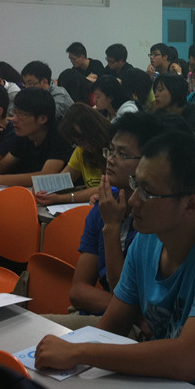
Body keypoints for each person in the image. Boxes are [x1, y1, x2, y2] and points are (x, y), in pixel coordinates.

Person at [35, 131, 195, 389]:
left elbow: (186, 361)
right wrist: (73, 356)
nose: (133, 200)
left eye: (148, 192)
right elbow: (112, 326)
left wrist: (79, 353)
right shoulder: (148, 239)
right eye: (136, 183)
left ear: (190, 204)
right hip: (160, 388)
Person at [50, 111, 162, 328]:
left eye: (122, 154)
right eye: (110, 151)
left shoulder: (154, 216)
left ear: (149, 161)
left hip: (133, 329)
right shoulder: (104, 205)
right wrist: (129, 308)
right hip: (106, 314)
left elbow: (130, 296)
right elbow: (78, 291)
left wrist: (112, 227)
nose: (110, 160)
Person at [0, 87, 72, 188]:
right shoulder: (24, 135)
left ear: (42, 119)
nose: (14, 119)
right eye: (15, 112)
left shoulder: (60, 136)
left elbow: (46, 176)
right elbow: (3, 165)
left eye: (22, 115)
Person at [36, 103, 110, 206]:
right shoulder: (81, 151)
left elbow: (107, 188)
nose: (83, 145)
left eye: (83, 138)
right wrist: (43, 189)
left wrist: (60, 198)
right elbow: (62, 180)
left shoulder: (114, 149)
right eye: (77, 142)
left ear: (94, 129)